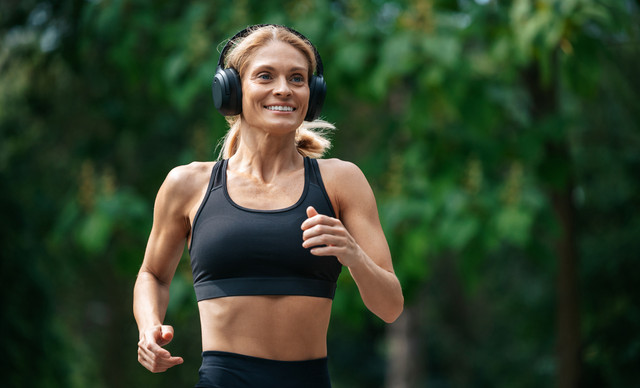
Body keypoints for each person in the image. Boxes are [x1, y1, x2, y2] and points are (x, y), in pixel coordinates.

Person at [133, 24, 403, 388]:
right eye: (265, 76)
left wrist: (353, 254)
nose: (283, 89)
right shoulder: (189, 184)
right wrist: (149, 328)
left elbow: (390, 307)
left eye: (297, 78)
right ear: (230, 90)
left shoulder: (341, 180)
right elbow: (153, 275)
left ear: (313, 93)